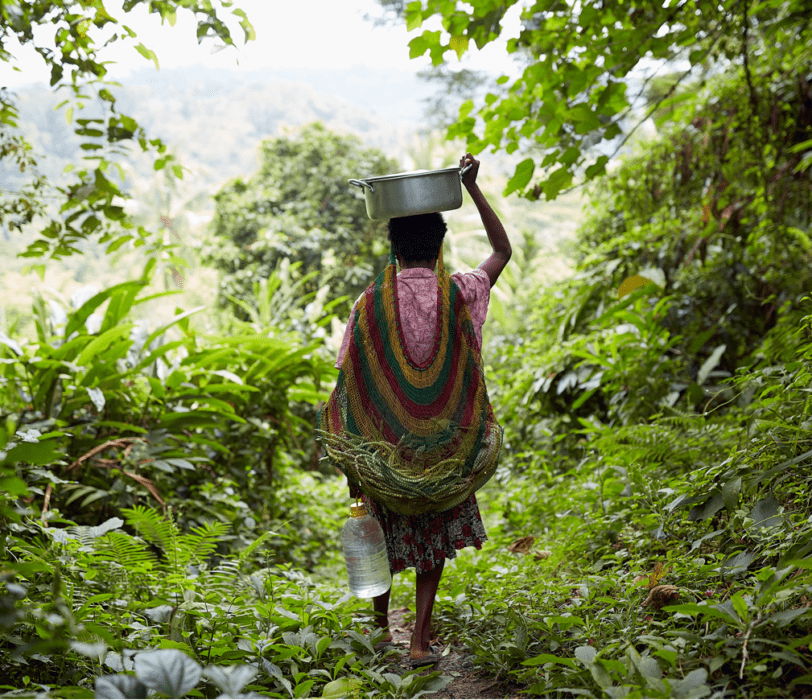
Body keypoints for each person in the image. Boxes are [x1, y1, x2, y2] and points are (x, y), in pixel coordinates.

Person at [330, 152, 511, 667]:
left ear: (393, 248)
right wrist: (473, 188)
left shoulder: (369, 302)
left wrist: (355, 465)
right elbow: (502, 249)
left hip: (385, 450)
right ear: (439, 245)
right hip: (443, 448)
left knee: (382, 532)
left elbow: (350, 382)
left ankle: (382, 631)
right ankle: (421, 639)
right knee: (434, 529)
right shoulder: (461, 290)